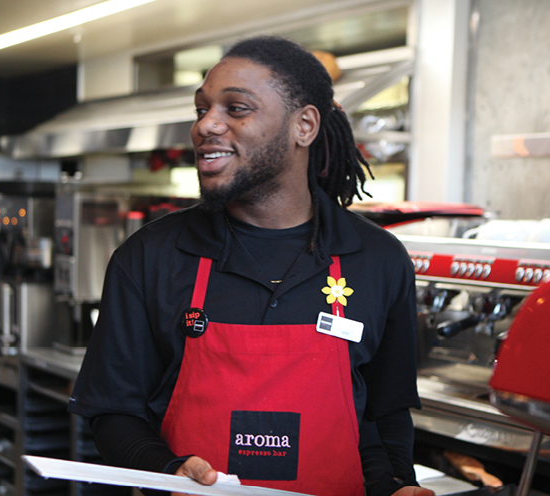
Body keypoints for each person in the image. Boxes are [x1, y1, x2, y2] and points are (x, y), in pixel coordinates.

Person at [68, 35, 434, 496]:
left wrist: (398, 485)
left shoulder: (377, 259)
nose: (206, 126)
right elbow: (113, 412)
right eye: (201, 109)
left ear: (304, 126)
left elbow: (385, 414)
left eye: (235, 109)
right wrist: (166, 468)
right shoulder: (149, 257)